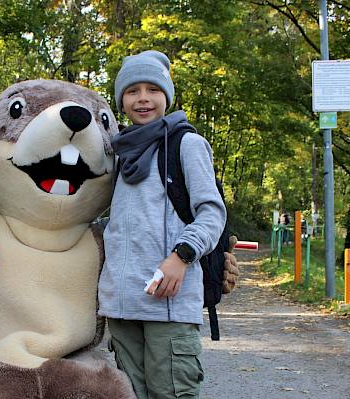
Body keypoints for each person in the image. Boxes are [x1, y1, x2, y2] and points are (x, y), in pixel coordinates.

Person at [98, 50, 227, 399]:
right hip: (122, 305)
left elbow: (212, 213)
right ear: (121, 100)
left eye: (152, 89)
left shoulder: (187, 144)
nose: (143, 98)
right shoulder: (118, 153)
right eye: (132, 90)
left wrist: (181, 256)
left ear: (166, 96)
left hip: (168, 303)